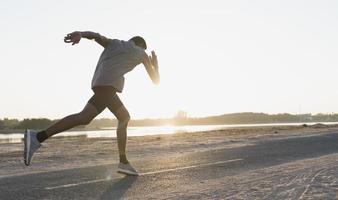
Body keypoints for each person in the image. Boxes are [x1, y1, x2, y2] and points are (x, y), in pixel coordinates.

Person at [23, 31, 160, 176]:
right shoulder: (141, 53)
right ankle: (37, 137)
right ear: (141, 45)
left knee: (87, 117)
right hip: (108, 87)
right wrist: (155, 66)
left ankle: (37, 137)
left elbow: (96, 36)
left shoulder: (114, 43)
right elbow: (156, 81)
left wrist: (80, 34)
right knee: (120, 117)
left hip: (99, 84)